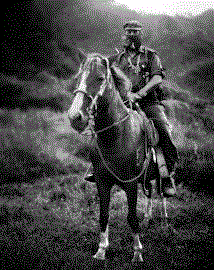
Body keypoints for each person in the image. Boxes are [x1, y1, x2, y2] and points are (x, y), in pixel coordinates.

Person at [86, 20, 179, 197]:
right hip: (124, 104)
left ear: (140, 34)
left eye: (135, 31)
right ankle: (95, 166)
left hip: (149, 102)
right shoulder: (116, 59)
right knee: (102, 127)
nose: (132, 35)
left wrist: (140, 93)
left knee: (163, 129)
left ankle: (167, 176)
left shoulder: (151, 56)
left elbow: (157, 78)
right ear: (124, 34)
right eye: (129, 31)